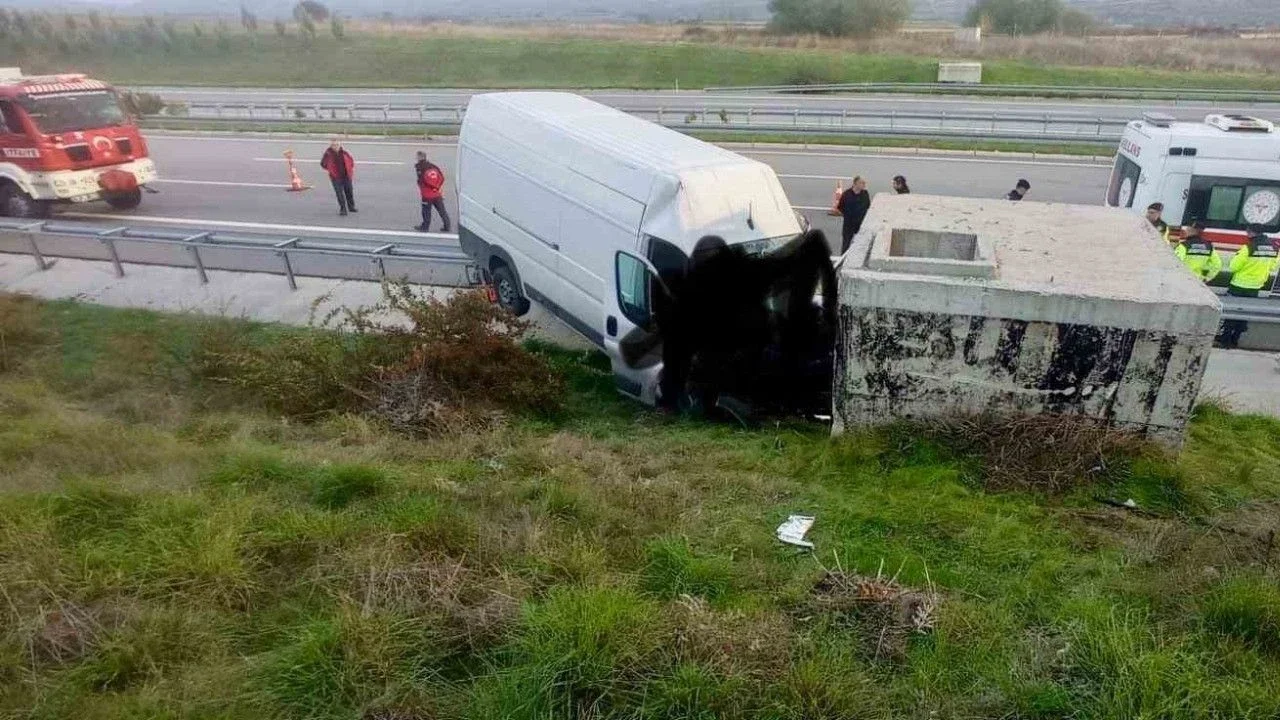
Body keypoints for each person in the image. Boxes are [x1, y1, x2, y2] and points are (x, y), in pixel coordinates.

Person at [1218, 225, 1279, 349]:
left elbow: (1234, 266)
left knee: (1232, 313)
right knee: (1244, 315)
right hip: (1256, 286)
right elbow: (1274, 267)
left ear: (1251, 233)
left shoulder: (1248, 248)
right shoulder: (1274, 248)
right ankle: (1235, 339)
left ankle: (1225, 340)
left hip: (1239, 284)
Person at [414, 151, 450, 232]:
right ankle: (447, 226)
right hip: (437, 194)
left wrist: (428, 187)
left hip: (427, 195)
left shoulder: (420, 167)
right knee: (442, 211)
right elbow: (442, 178)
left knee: (426, 211)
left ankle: (425, 227)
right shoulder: (433, 166)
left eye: (417, 156)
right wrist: (437, 187)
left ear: (420, 157)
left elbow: (422, 180)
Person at [320, 139, 356, 216]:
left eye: (337, 145)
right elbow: (322, 164)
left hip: (346, 176)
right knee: (339, 194)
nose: (335, 146)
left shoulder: (344, 153)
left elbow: (351, 161)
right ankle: (343, 209)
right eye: (333, 145)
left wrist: (350, 170)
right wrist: (330, 169)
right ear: (331, 146)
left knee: (349, 192)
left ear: (340, 145)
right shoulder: (328, 154)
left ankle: (351, 206)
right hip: (336, 177)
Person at [836, 176, 870, 254]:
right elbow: (840, 207)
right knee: (846, 244)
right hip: (849, 224)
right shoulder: (846, 194)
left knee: (861, 246)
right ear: (855, 184)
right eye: (862, 183)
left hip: (861, 224)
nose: (864, 185)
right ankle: (843, 259)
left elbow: (868, 205)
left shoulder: (865, 194)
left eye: (864, 183)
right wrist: (847, 214)